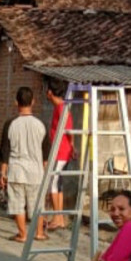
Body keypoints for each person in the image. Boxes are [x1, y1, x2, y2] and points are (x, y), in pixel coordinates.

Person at [0, 86, 49, 243]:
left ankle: (22, 234)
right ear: (33, 102)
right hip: (36, 172)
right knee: (37, 204)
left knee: (17, 204)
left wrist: (2, 173)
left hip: (16, 171)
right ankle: (39, 233)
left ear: (16, 102)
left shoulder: (10, 124)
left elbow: (4, 152)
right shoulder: (41, 124)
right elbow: (46, 153)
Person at [46, 78, 75, 231]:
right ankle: (59, 218)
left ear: (50, 92)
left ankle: (58, 218)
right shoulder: (61, 107)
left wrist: (72, 147)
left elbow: (69, 130)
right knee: (58, 185)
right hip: (62, 151)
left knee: (53, 186)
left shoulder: (61, 108)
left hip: (61, 152)